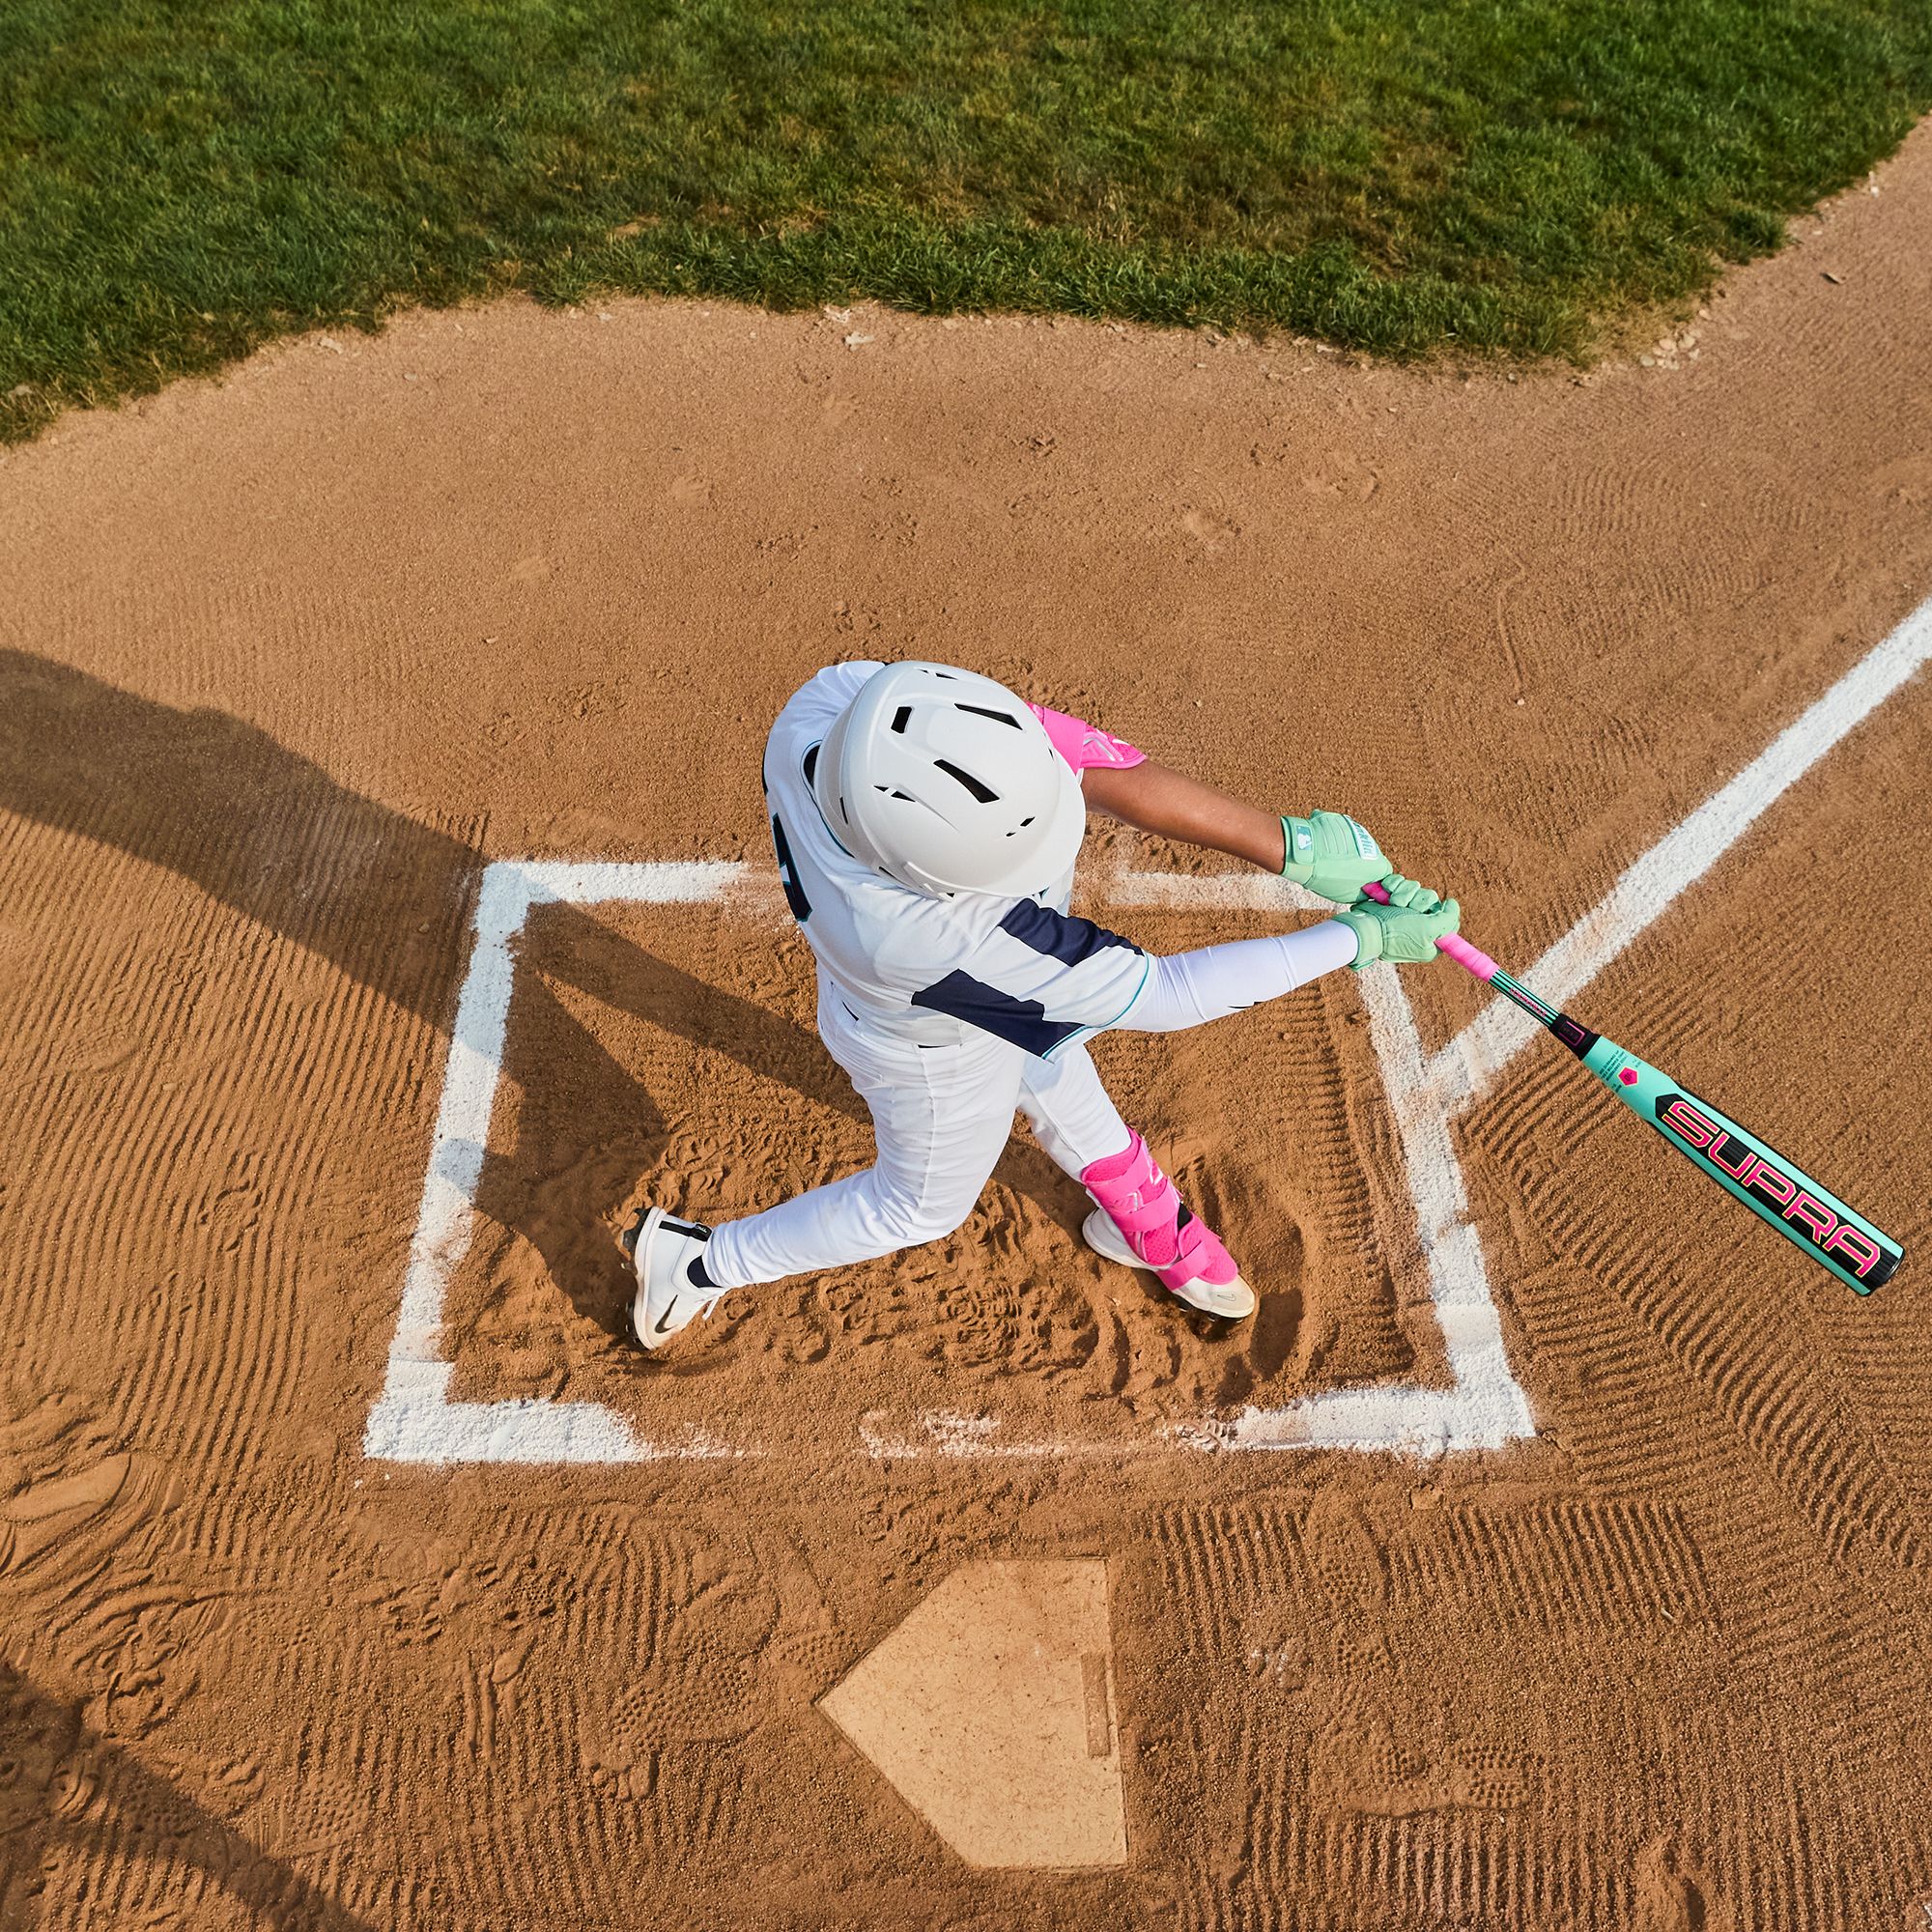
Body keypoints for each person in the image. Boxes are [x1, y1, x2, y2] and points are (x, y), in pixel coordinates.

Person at [622, 660, 1457, 1350]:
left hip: (915, 994)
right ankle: (698, 1262)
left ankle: (1134, 1210)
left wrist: (1293, 846)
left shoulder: (840, 708)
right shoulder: (929, 936)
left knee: (1046, 1049)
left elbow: (1086, 762)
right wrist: (1361, 940)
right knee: (918, 1206)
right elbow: (1168, 995)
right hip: (929, 1055)